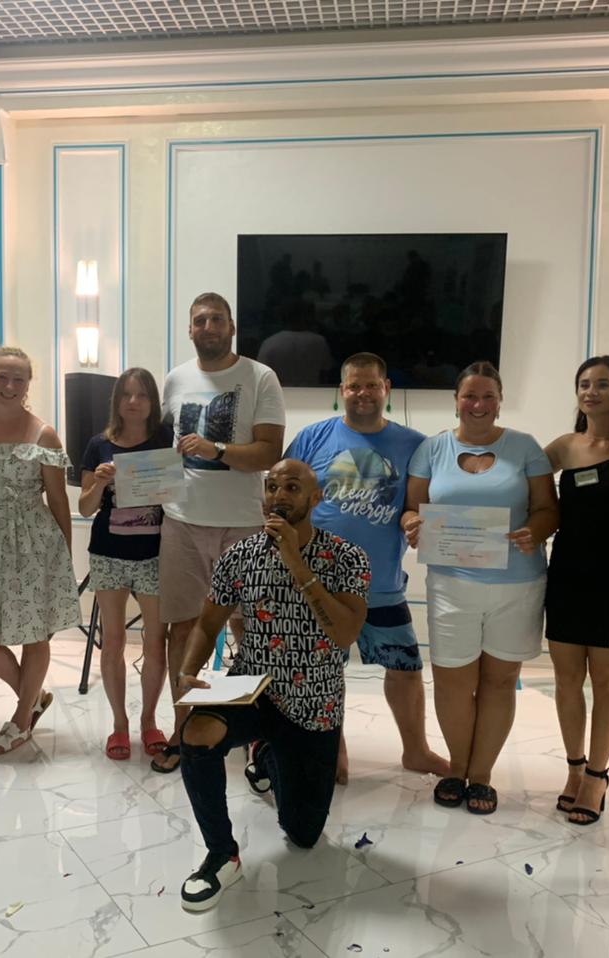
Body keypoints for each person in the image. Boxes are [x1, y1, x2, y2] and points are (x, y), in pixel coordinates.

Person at [174, 460, 371, 911]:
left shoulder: (347, 557)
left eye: (293, 487)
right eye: (272, 486)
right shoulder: (239, 556)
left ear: (316, 498)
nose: (279, 495)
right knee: (197, 734)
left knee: (303, 834)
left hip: (314, 701)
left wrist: (298, 566)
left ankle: (263, 754)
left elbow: (344, 635)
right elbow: (207, 624)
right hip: (254, 688)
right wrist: (188, 672)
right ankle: (221, 855)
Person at [402, 361, 559, 814]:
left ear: (500, 401)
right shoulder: (432, 449)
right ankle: (457, 768)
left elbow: (548, 509)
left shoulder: (525, 447)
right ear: (456, 401)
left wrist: (536, 531)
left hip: (518, 585)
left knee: (500, 682)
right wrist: (412, 523)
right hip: (451, 586)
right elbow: (412, 508)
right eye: (470, 395)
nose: (478, 404)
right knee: (452, 682)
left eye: (488, 396)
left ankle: (482, 775)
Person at [285, 351, 448, 782]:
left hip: (382, 586)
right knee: (324, 673)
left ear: (386, 388)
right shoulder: (311, 438)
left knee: (405, 669)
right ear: (342, 391)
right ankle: (332, 754)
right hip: (318, 587)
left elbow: (420, 505)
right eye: (354, 386)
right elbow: (284, 497)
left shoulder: (415, 445)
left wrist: (415, 521)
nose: (363, 393)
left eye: (372, 385)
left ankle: (416, 751)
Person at [153, 292, 286, 773]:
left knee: (250, 629)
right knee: (183, 630)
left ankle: (252, 732)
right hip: (181, 522)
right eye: (199, 320)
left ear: (231, 327)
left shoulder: (260, 377)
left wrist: (218, 450)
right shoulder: (175, 379)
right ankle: (184, 727)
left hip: (243, 524)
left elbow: (270, 452)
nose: (207, 327)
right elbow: (162, 450)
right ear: (189, 329)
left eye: (216, 319)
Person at [0, 346, 76, 755]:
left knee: (34, 633)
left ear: (28, 384)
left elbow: (58, 500)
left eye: (18, 379)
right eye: (2, 376)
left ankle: (21, 720)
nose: (9, 385)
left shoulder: (44, 433)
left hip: (34, 542)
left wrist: (64, 556)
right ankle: (34, 697)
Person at [543, 356, 609, 825]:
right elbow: (518, 483)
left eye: (603, 384)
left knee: (606, 680)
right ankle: (575, 768)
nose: (591, 391)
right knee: (565, 680)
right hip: (566, 574)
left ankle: (598, 775)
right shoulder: (564, 446)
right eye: (584, 384)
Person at [79, 368, 174, 761]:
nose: (134, 402)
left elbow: (178, 493)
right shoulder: (98, 444)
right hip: (108, 553)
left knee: (155, 642)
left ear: (153, 402)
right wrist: (100, 483)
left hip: (155, 553)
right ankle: (119, 724)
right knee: (113, 640)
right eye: (127, 394)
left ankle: (149, 721)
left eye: (143, 395)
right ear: (116, 400)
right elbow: (86, 507)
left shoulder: (165, 440)